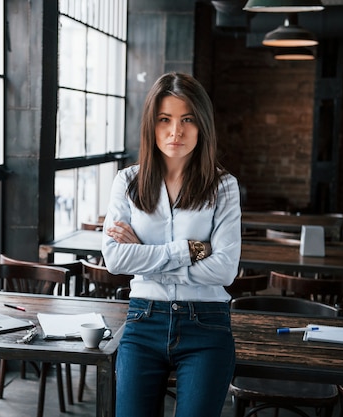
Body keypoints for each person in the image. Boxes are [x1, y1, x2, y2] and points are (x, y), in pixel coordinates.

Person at [101, 72, 242, 417]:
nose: (175, 131)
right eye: (165, 119)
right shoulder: (127, 181)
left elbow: (224, 269)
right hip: (143, 319)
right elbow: (115, 259)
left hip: (207, 324)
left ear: (202, 125)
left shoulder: (223, 186)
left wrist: (146, 260)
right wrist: (188, 251)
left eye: (187, 120)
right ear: (151, 124)